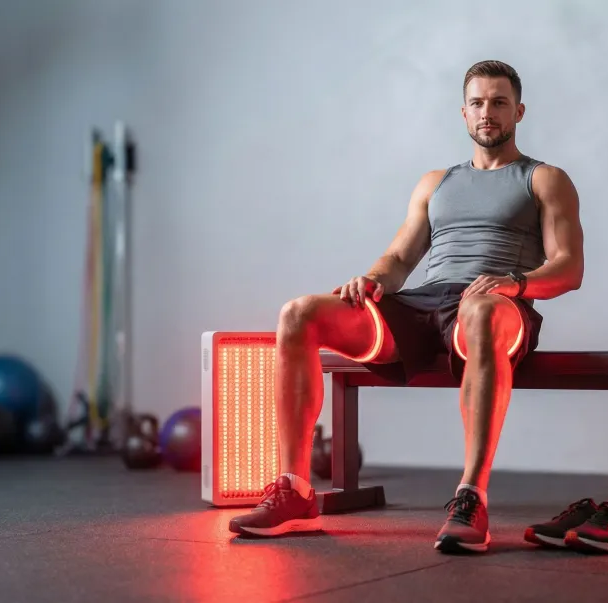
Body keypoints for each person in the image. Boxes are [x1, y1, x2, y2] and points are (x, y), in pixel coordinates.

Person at [228, 60, 585, 554]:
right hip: (425, 302)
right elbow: (398, 260)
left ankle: (471, 497)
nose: (488, 112)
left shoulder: (544, 178)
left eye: (499, 102)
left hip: (496, 303)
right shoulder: (435, 183)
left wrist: (515, 284)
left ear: (518, 112)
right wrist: (372, 279)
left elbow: (568, 267)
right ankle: (296, 492)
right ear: (464, 113)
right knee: (298, 314)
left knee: (480, 310)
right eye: (478, 103)